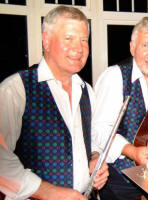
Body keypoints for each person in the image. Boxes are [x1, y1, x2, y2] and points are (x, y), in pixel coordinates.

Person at [0, 6, 109, 200]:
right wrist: (50, 193)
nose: (79, 48)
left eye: (84, 40)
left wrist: (94, 159)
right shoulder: (15, 89)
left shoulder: (87, 91)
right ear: (46, 41)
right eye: (69, 38)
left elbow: (89, 141)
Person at [93, 17, 148, 199]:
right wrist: (131, 151)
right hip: (122, 181)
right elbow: (99, 130)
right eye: (145, 46)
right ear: (132, 48)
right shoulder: (114, 77)